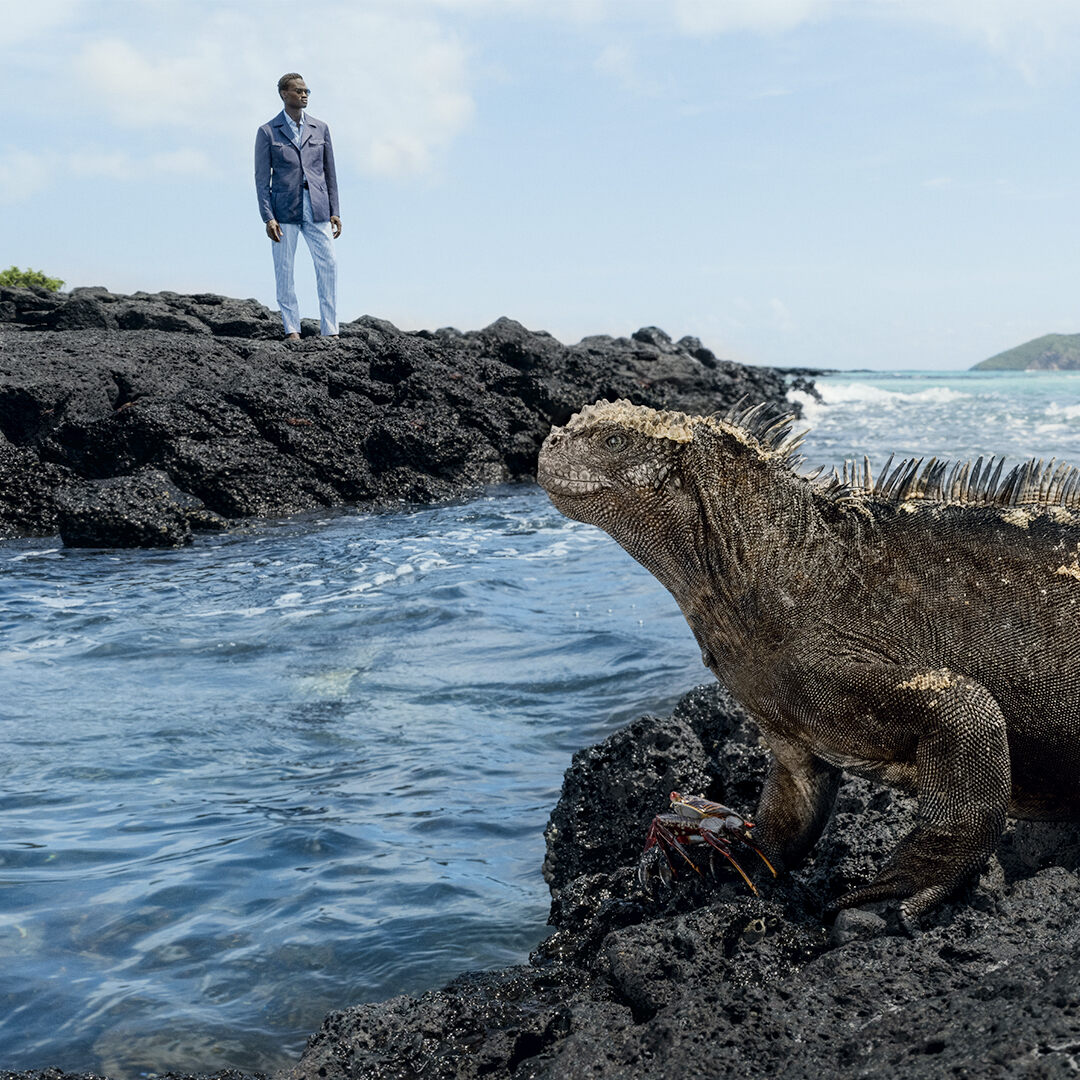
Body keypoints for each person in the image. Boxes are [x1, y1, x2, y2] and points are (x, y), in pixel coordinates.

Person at [255, 73, 342, 340]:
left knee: (328, 264)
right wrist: (267, 216)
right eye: (298, 90)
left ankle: (330, 330)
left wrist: (335, 211)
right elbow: (261, 178)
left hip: (316, 206)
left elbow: (330, 173)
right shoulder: (268, 131)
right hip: (284, 210)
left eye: (307, 91)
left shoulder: (321, 128)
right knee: (284, 269)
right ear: (284, 94)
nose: (304, 94)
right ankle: (292, 328)